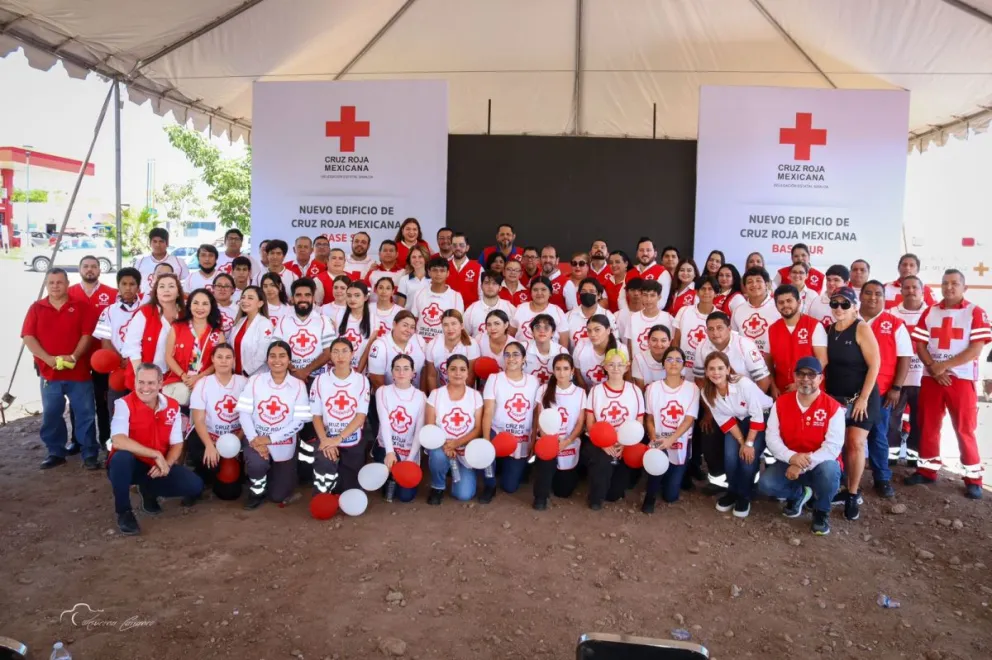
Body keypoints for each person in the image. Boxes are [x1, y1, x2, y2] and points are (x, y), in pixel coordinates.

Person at [906, 269, 990, 499]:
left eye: (954, 283)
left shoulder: (975, 312)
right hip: (931, 377)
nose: (949, 287)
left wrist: (944, 366)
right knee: (928, 424)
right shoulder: (930, 312)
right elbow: (920, 345)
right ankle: (927, 470)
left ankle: (973, 478)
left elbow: (976, 348)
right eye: (945, 283)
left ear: (964, 287)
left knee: (964, 428)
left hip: (961, 379)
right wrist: (934, 367)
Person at [107, 363, 203, 535]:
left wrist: (166, 463)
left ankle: (148, 491)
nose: (145, 387)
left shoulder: (172, 406)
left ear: (160, 384)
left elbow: (177, 443)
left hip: (156, 466)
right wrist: (155, 454)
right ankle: (124, 512)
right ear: (134, 382)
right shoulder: (123, 404)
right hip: (132, 464)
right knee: (121, 458)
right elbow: (118, 440)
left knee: (195, 485)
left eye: (151, 383)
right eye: (140, 382)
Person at [21, 268, 99, 469]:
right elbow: (28, 337)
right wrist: (47, 359)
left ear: (67, 283)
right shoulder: (36, 308)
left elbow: (87, 335)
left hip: (79, 373)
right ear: (47, 285)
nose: (55, 286)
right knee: (51, 414)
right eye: (51, 282)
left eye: (59, 282)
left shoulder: (81, 306)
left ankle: (89, 453)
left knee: (86, 414)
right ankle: (56, 452)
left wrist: (74, 356)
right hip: (50, 374)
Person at [759, 357, 843, 536]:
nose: (806, 379)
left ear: (820, 378)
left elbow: (832, 447)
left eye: (811, 374)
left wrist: (801, 463)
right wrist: (791, 457)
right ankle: (799, 494)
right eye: (801, 374)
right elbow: (772, 437)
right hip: (788, 461)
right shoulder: (781, 403)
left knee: (830, 470)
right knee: (766, 484)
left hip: (819, 464)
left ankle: (821, 512)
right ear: (794, 377)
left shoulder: (833, 408)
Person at [824, 286, 880, 521]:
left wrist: (864, 399)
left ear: (855, 307)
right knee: (839, 445)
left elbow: (875, 365)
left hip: (862, 398)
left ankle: (853, 494)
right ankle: (841, 488)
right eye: (835, 304)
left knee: (856, 444)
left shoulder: (861, 328)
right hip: (836, 399)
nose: (839, 308)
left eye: (845, 304)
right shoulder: (828, 330)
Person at [238, 340, 312, 509]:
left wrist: (270, 439)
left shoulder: (298, 385)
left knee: (278, 495)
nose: (277, 360)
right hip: (256, 438)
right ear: (267, 359)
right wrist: (255, 440)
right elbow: (244, 413)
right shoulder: (255, 380)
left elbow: (299, 422)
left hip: (283, 441)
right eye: (272, 356)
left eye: (282, 356)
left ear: (289, 360)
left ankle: (274, 475)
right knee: (257, 465)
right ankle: (256, 490)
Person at [701, 351, 772, 518]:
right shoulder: (707, 392)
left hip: (761, 416)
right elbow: (725, 420)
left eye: (720, 368)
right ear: (706, 371)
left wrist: (748, 444)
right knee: (730, 455)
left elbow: (757, 415)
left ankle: (744, 496)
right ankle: (732, 491)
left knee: (747, 458)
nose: (716, 372)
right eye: (711, 369)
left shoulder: (743, 384)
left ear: (727, 369)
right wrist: (741, 441)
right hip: (736, 420)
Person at [859, 280, 912, 498]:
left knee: (878, 435)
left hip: (881, 392)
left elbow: (905, 357)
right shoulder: (848, 320)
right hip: (851, 391)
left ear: (884, 297)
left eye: (878, 294)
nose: (873, 297)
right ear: (860, 296)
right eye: (868, 293)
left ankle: (882, 478)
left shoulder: (895, 323)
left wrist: (896, 387)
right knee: (847, 436)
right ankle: (844, 478)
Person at [308, 338, 370, 494]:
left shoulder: (362, 381)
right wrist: (325, 441)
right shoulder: (320, 380)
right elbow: (316, 416)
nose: (340, 356)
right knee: (324, 470)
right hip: (326, 437)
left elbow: (360, 417)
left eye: (344, 351)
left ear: (352, 354)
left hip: (351, 439)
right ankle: (323, 491)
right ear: (330, 355)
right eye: (335, 352)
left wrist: (339, 438)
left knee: (350, 489)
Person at [583, 349, 644, 510]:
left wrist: (625, 444)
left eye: (620, 365)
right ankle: (595, 499)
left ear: (627, 367)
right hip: (601, 442)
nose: (616, 368)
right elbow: (590, 422)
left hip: (626, 443)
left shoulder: (635, 391)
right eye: (611, 364)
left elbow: (639, 422)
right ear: (605, 366)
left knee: (614, 494)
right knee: (601, 462)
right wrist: (603, 444)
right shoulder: (596, 391)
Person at [68, 254, 118, 450]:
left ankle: (106, 438)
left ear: (100, 270)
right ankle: (77, 440)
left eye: (94, 267)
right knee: (76, 401)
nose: (90, 270)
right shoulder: (69, 293)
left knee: (103, 400)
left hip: (103, 357)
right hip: (77, 357)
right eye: (86, 266)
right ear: (80, 269)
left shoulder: (112, 293)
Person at [643, 346, 700, 512]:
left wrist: (671, 440)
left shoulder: (692, 388)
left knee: (670, 496)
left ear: (684, 365)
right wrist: (654, 440)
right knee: (656, 465)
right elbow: (650, 418)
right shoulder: (653, 388)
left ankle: (673, 477)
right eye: (669, 359)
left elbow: (689, 419)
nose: (673, 363)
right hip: (659, 440)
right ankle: (649, 497)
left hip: (679, 442)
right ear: (663, 364)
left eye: (678, 360)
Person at [481, 340, 541, 498]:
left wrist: (533, 440)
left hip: (521, 437)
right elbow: (488, 411)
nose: (511, 358)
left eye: (516, 354)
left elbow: (535, 414)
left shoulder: (533, 382)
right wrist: (486, 441)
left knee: (510, 487)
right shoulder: (494, 379)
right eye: (507, 355)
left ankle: (509, 466)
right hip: (498, 433)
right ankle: (490, 484)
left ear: (524, 359)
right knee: (487, 457)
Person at [425, 354, 485, 505]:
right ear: (446, 371)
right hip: (442, 446)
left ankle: (455, 470)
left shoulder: (476, 396)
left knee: (464, 495)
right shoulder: (436, 394)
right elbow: (430, 428)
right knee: (438, 456)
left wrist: (456, 443)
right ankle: (437, 486)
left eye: (462, 369)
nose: (458, 373)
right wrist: (446, 445)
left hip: (465, 449)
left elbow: (478, 429)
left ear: (467, 372)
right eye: (453, 369)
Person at [188, 343, 248, 490]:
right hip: (209, 436)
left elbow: (249, 419)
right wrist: (209, 445)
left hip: (236, 437)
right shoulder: (203, 383)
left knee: (230, 493)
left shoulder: (244, 383)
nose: (223, 361)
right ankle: (203, 476)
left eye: (228, 357)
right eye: (219, 357)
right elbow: (199, 419)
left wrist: (236, 443)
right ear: (213, 359)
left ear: (234, 360)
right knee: (208, 463)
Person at [532, 354, 586, 509]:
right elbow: (540, 418)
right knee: (546, 460)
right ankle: (540, 497)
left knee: (563, 491)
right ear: (553, 371)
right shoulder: (543, 389)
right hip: (549, 439)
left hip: (569, 442)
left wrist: (567, 441)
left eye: (565, 369)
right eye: (558, 369)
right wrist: (548, 440)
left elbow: (580, 423)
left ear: (572, 371)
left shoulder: (580, 393)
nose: (562, 373)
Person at [374, 354, 427, 502]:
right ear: (392, 372)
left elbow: (419, 431)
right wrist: (390, 452)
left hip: (409, 449)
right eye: (397, 369)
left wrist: (410, 460)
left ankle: (396, 476)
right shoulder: (382, 392)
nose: (401, 373)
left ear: (413, 373)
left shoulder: (421, 396)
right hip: (387, 447)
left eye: (406, 369)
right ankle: (390, 475)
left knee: (406, 496)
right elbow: (384, 423)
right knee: (386, 490)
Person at [888, 275, 928, 464]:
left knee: (920, 420)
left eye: (915, 287)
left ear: (922, 290)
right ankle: (891, 457)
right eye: (907, 287)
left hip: (923, 377)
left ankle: (915, 457)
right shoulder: (891, 313)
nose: (911, 291)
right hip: (898, 378)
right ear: (901, 290)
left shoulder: (931, 313)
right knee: (892, 421)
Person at [123, 273, 184, 390]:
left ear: (178, 292)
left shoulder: (185, 314)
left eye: (171, 286)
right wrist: (141, 376)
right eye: (162, 286)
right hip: (144, 377)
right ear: (156, 292)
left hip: (173, 379)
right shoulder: (145, 313)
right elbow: (132, 346)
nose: (166, 290)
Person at [163, 288, 225, 405]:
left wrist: (198, 377)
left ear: (211, 307)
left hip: (205, 384)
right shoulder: (177, 327)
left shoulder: (217, 334)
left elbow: (218, 362)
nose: (200, 308)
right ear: (189, 306)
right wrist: (183, 376)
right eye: (195, 303)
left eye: (205, 304)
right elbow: (168, 356)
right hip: (178, 381)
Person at [94, 267, 142, 416]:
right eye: (124, 284)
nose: (128, 288)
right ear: (118, 286)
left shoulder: (146, 309)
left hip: (139, 366)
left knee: (140, 407)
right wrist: (120, 360)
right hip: (118, 367)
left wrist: (132, 359)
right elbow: (105, 341)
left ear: (138, 287)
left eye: (132, 284)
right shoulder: (109, 311)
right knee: (116, 407)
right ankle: (115, 437)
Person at [766, 284, 828, 398]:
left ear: (799, 302)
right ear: (776, 306)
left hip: (811, 391)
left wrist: (800, 383)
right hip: (783, 391)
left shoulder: (814, 325)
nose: (785, 305)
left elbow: (822, 361)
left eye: (789, 301)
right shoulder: (772, 329)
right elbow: (768, 362)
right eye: (781, 302)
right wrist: (773, 386)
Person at [273, 278, 335, 383]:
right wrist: (294, 371)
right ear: (292, 298)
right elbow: (275, 349)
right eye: (298, 295)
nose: (303, 299)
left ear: (313, 298)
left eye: (307, 295)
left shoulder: (323, 320)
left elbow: (329, 351)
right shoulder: (283, 320)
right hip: (290, 377)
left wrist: (305, 371)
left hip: (317, 379)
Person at [693, 312, 772, 390]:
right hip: (716, 398)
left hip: (746, 396)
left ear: (729, 329)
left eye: (719, 328)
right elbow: (700, 380)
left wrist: (751, 401)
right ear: (706, 331)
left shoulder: (746, 345)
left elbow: (763, 381)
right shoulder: (701, 347)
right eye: (711, 329)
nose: (715, 333)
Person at [367, 310, 427, 389]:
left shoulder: (419, 340)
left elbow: (426, 370)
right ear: (394, 324)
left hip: (415, 395)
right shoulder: (379, 345)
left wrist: (421, 395)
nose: (408, 330)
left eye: (412, 327)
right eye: (405, 325)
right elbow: (376, 380)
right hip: (386, 396)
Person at [413, 256, 465, 344]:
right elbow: (414, 319)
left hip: (443, 344)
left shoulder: (456, 296)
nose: (438, 274)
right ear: (429, 272)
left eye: (442, 271)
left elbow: (457, 324)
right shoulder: (419, 293)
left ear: (448, 273)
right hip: (420, 343)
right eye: (434, 270)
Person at [425, 310, 480, 391]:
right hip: (442, 392)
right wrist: (435, 397)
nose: (450, 328)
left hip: (465, 392)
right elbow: (431, 376)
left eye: (454, 324)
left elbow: (470, 377)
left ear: (461, 326)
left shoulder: (471, 344)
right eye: (445, 325)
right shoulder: (433, 344)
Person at [672, 277, 717, 376]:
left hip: (709, 372)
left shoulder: (720, 316)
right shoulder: (684, 311)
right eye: (703, 289)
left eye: (710, 289)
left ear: (716, 293)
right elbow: (676, 341)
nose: (706, 292)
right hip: (684, 369)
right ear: (696, 292)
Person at [731, 267, 780, 354]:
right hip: (746, 361)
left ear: (767, 285)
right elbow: (733, 339)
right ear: (745, 287)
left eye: (758, 280)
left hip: (775, 359)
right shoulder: (738, 310)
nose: (754, 284)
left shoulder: (779, 306)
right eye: (749, 282)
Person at [622, 280, 674, 360]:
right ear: (641, 296)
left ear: (659, 297)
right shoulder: (633, 318)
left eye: (652, 295)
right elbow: (630, 345)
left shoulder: (668, 318)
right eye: (645, 295)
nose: (648, 299)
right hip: (639, 365)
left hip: (661, 366)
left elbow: (672, 344)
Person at [510, 276, 568, 346]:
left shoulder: (557, 311)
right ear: (530, 292)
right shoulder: (520, 308)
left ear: (550, 293)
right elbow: (510, 335)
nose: (539, 293)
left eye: (543, 289)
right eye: (535, 290)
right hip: (522, 354)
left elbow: (564, 343)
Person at [229, 286, 273, 376]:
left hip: (256, 376)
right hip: (236, 375)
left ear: (260, 303)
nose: (245, 301)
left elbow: (262, 354)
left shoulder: (265, 323)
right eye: (243, 297)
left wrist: (245, 372)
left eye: (250, 298)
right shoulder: (240, 321)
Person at [564, 277, 617, 350]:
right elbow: (564, 346)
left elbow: (615, 342)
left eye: (592, 291)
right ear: (579, 295)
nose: (587, 294)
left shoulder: (608, 316)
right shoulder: (568, 317)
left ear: (599, 295)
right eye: (584, 292)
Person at [134, 227, 189, 292]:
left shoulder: (179, 262)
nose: (158, 245)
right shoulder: (140, 262)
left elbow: (186, 286)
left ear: (167, 243)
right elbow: (135, 285)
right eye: (155, 241)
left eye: (161, 241)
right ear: (150, 243)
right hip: (145, 301)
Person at [464, 270, 515, 338]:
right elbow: (464, 336)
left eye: (494, 283)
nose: (490, 286)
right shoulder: (471, 310)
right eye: (487, 283)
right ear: (481, 286)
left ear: (500, 288)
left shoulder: (509, 308)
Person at [522, 313, 569, 386]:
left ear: (552, 333)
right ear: (532, 332)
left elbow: (567, 380)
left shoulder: (562, 352)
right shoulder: (522, 348)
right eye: (537, 327)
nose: (542, 331)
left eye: (546, 328)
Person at [572, 315, 618, 388]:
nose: (592, 334)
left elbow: (624, 377)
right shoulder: (581, 346)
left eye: (597, 330)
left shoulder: (620, 349)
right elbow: (578, 373)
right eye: (589, 331)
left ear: (608, 330)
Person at [627, 238, 672, 307]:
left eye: (648, 250)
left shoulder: (662, 273)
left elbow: (661, 302)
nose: (645, 253)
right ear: (637, 254)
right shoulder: (629, 273)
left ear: (655, 254)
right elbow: (622, 298)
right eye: (641, 250)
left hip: (651, 316)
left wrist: (642, 314)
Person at [337, 281, 372, 369]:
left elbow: (367, 350)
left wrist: (357, 373)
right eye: (349, 295)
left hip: (360, 370)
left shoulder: (374, 320)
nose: (352, 299)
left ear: (365, 297)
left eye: (357, 295)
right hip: (339, 367)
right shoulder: (338, 315)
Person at [447, 232, 483, 307]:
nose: (458, 248)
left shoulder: (478, 268)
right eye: (454, 245)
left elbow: (482, 294)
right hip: (448, 312)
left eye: (461, 245)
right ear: (451, 247)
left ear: (467, 248)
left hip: (470, 313)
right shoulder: (444, 266)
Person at [397, 244, 430, 311]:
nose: (417, 260)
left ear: (425, 258)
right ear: (410, 260)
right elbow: (400, 306)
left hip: (429, 318)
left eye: (420, 257)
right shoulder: (404, 280)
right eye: (413, 257)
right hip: (410, 318)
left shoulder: (434, 279)